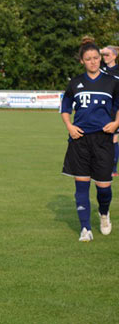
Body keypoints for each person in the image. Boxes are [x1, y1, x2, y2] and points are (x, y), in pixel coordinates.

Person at [61, 37, 118, 241]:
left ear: (99, 59)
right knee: (81, 184)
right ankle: (85, 228)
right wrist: (69, 126)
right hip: (80, 140)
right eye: (88, 59)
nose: (93, 62)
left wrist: (116, 123)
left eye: (95, 58)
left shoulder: (112, 82)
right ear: (82, 61)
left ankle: (104, 213)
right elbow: (65, 107)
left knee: (104, 187)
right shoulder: (75, 83)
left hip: (103, 140)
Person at [100, 45, 119, 177]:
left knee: (114, 138)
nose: (105, 57)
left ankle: (113, 169)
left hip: (115, 108)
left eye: (107, 55)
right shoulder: (100, 68)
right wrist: (102, 50)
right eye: (104, 55)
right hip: (101, 108)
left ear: (114, 56)